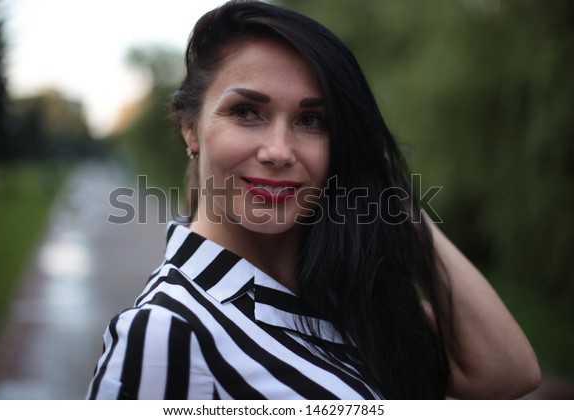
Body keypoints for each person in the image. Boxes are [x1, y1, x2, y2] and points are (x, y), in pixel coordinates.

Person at [88, 1, 540, 399]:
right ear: (190, 127)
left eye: (312, 120)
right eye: (246, 112)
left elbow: (506, 375)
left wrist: (385, 193)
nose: (279, 151)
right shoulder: (164, 333)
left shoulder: (347, 291)